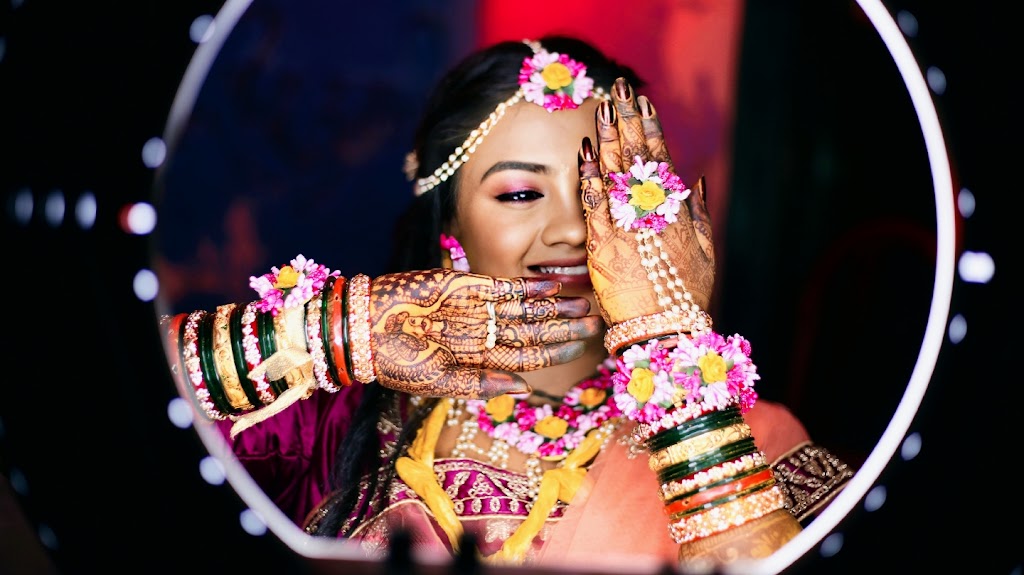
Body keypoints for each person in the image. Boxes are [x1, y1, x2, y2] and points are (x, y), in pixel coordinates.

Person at [161, 35, 854, 569]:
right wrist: (343, 329)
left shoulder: (755, 440)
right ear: (451, 229)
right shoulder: (339, 423)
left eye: (606, 189)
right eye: (521, 193)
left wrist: (674, 356)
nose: (572, 228)